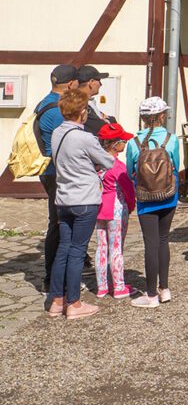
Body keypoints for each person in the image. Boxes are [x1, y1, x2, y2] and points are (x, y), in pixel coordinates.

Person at [46, 88, 113, 320]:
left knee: (64, 249)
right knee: (77, 251)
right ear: (82, 112)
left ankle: (56, 301)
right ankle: (74, 303)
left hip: (63, 199)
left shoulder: (57, 133)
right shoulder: (84, 137)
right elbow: (108, 161)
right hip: (85, 199)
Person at [126, 97, 180, 308]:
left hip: (146, 196)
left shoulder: (133, 142)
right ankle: (164, 288)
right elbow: (176, 164)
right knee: (163, 239)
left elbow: (130, 170)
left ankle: (150, 294)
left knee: (151, 242)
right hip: (168, 195)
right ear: (161, 116)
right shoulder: (171, 139)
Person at [35, 64, 78, 289]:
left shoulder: (44, 102)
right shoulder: (57, 110)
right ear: (70, 84)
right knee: (60, 224)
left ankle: (55, 276)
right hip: (56, 171)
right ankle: (52, 279)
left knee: (59, 223)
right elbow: (68, 140)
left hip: (49, 170)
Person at [94, 123, 136, 299]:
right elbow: (128, 190)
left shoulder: (95, 163)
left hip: (99, 206)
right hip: (117, 207)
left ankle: (102, 286)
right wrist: (131, 205)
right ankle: (118, 286)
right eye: (123, 141)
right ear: (115, 144)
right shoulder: (118, 166)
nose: (125, 144)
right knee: (116, 247)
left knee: (101, 247)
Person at [76, 65, 117, 135]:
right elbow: (102, 127)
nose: (101, 84)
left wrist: (105, 119)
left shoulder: (85, 101)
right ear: (91, 82)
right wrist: (109, 120)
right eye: (99, 80)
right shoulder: (79, 103)